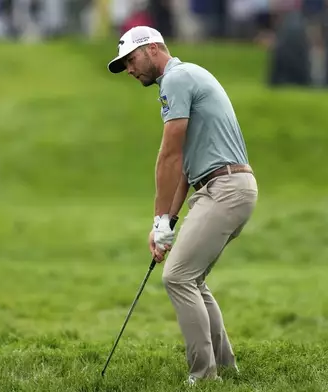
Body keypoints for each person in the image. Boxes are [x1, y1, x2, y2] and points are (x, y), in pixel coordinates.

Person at [106, 26, 259, 386]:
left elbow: (169, 155)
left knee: (177, 277)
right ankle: (225, 368)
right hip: (222, 187)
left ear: (154, 49)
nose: (129, 69)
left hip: (225, 188)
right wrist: (167, 224)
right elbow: (187, 171)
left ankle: (203, 377)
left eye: (131, 59)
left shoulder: (176, 78)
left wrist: (159, 218)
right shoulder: (184, 79)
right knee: (193, 279)